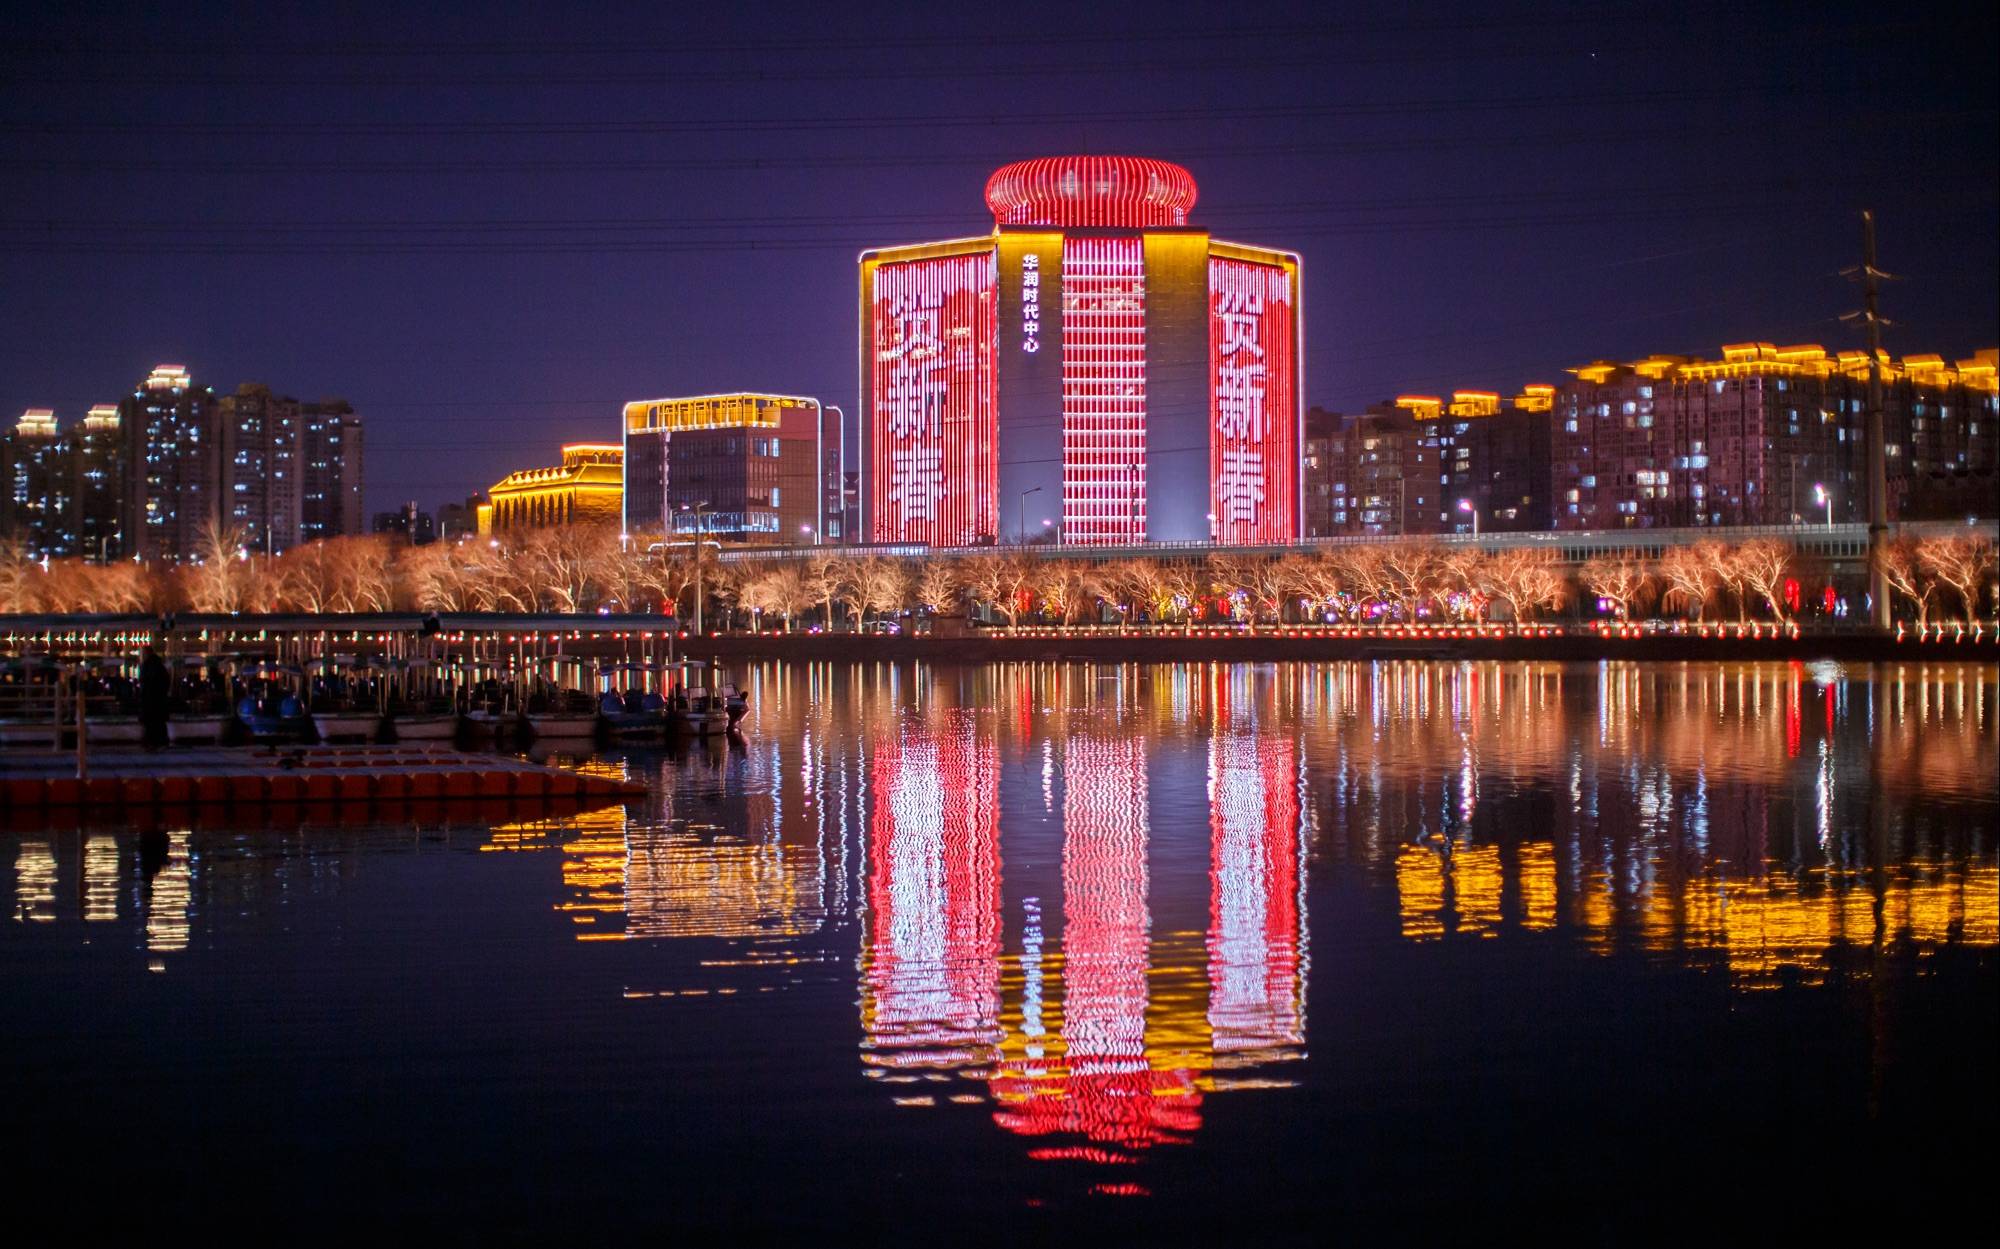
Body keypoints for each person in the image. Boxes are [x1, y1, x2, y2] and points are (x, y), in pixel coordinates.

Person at [139, 648, 170, 749]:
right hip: (159, 700)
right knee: (159, 723)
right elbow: (166, 682)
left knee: (150, 723)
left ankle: (151, 742)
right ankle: (161, 741)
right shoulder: (160, 666)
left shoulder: (147, 666)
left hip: (150, 700)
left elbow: (144, 682)